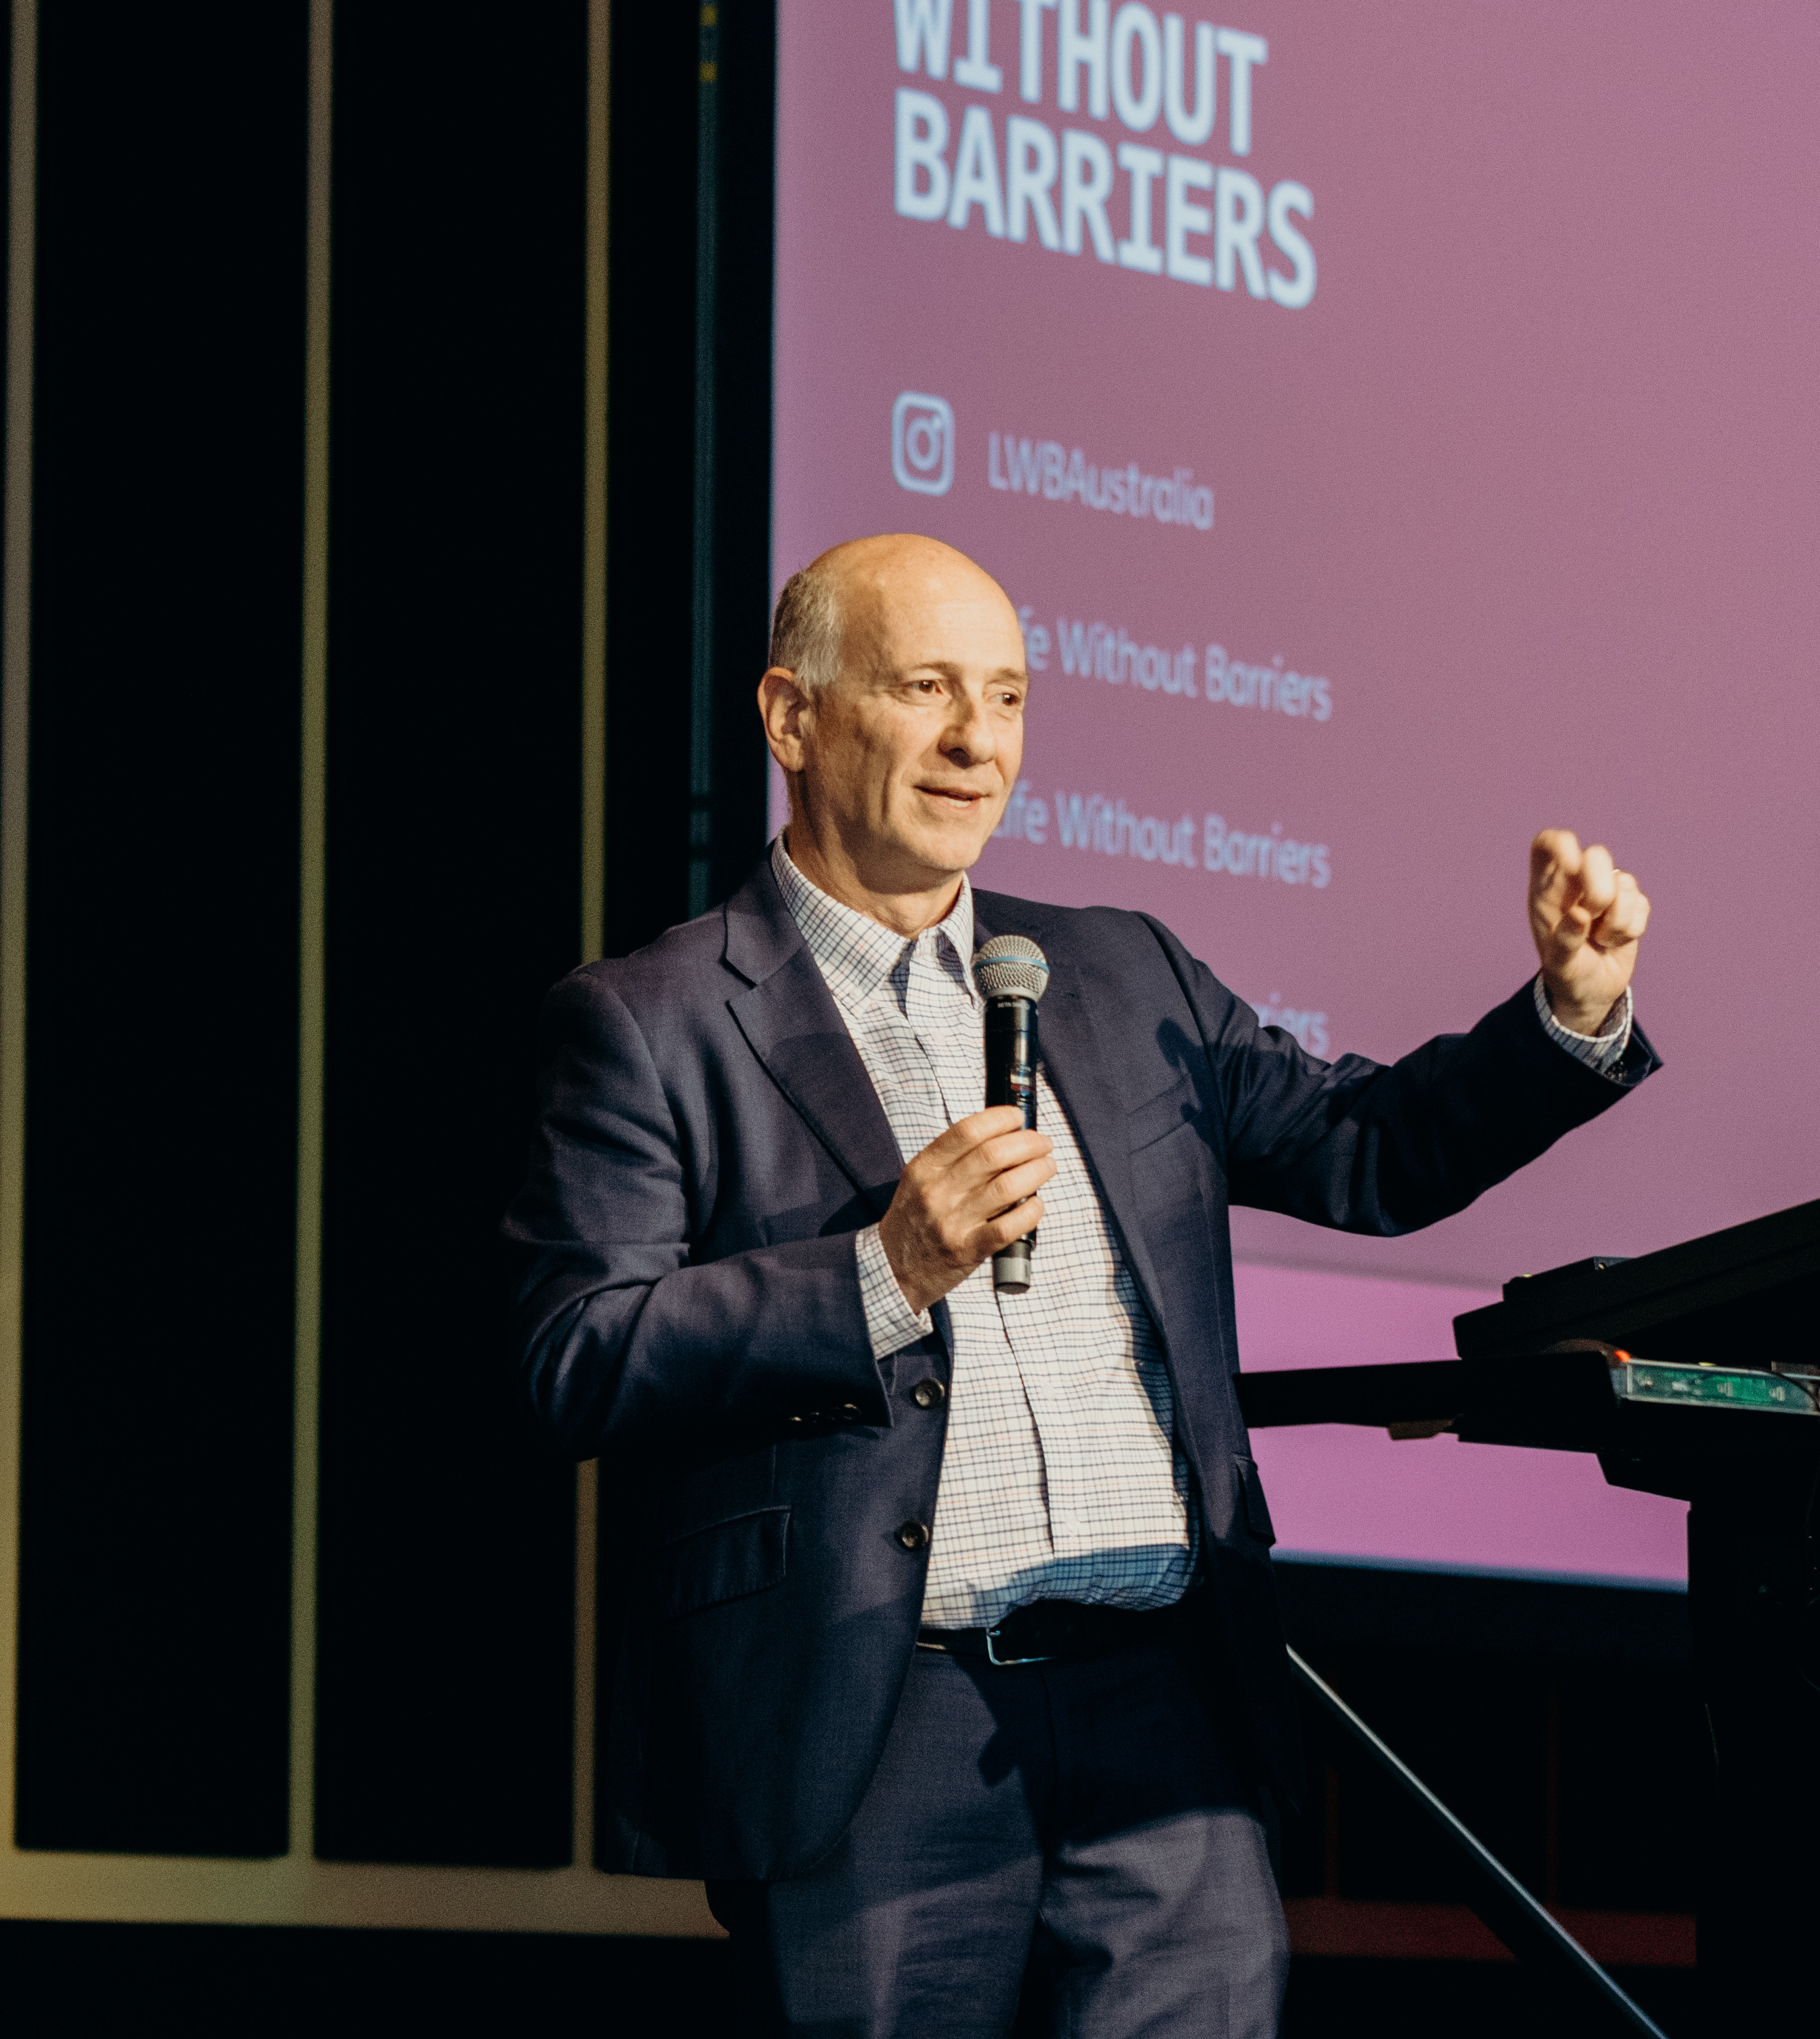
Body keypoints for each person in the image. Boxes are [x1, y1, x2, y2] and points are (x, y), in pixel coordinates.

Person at [505, 533, 1659, 2036]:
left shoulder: (1120, 977)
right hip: (876, 1724)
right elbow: (574, 1355)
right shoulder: (652, 1021)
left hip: (1165, 1712)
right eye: (927, 690)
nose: (979, 743)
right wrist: (877, 1276)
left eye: (1008, 697)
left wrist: (1565, 1019)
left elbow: (1368, 1151)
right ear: (792, 718)